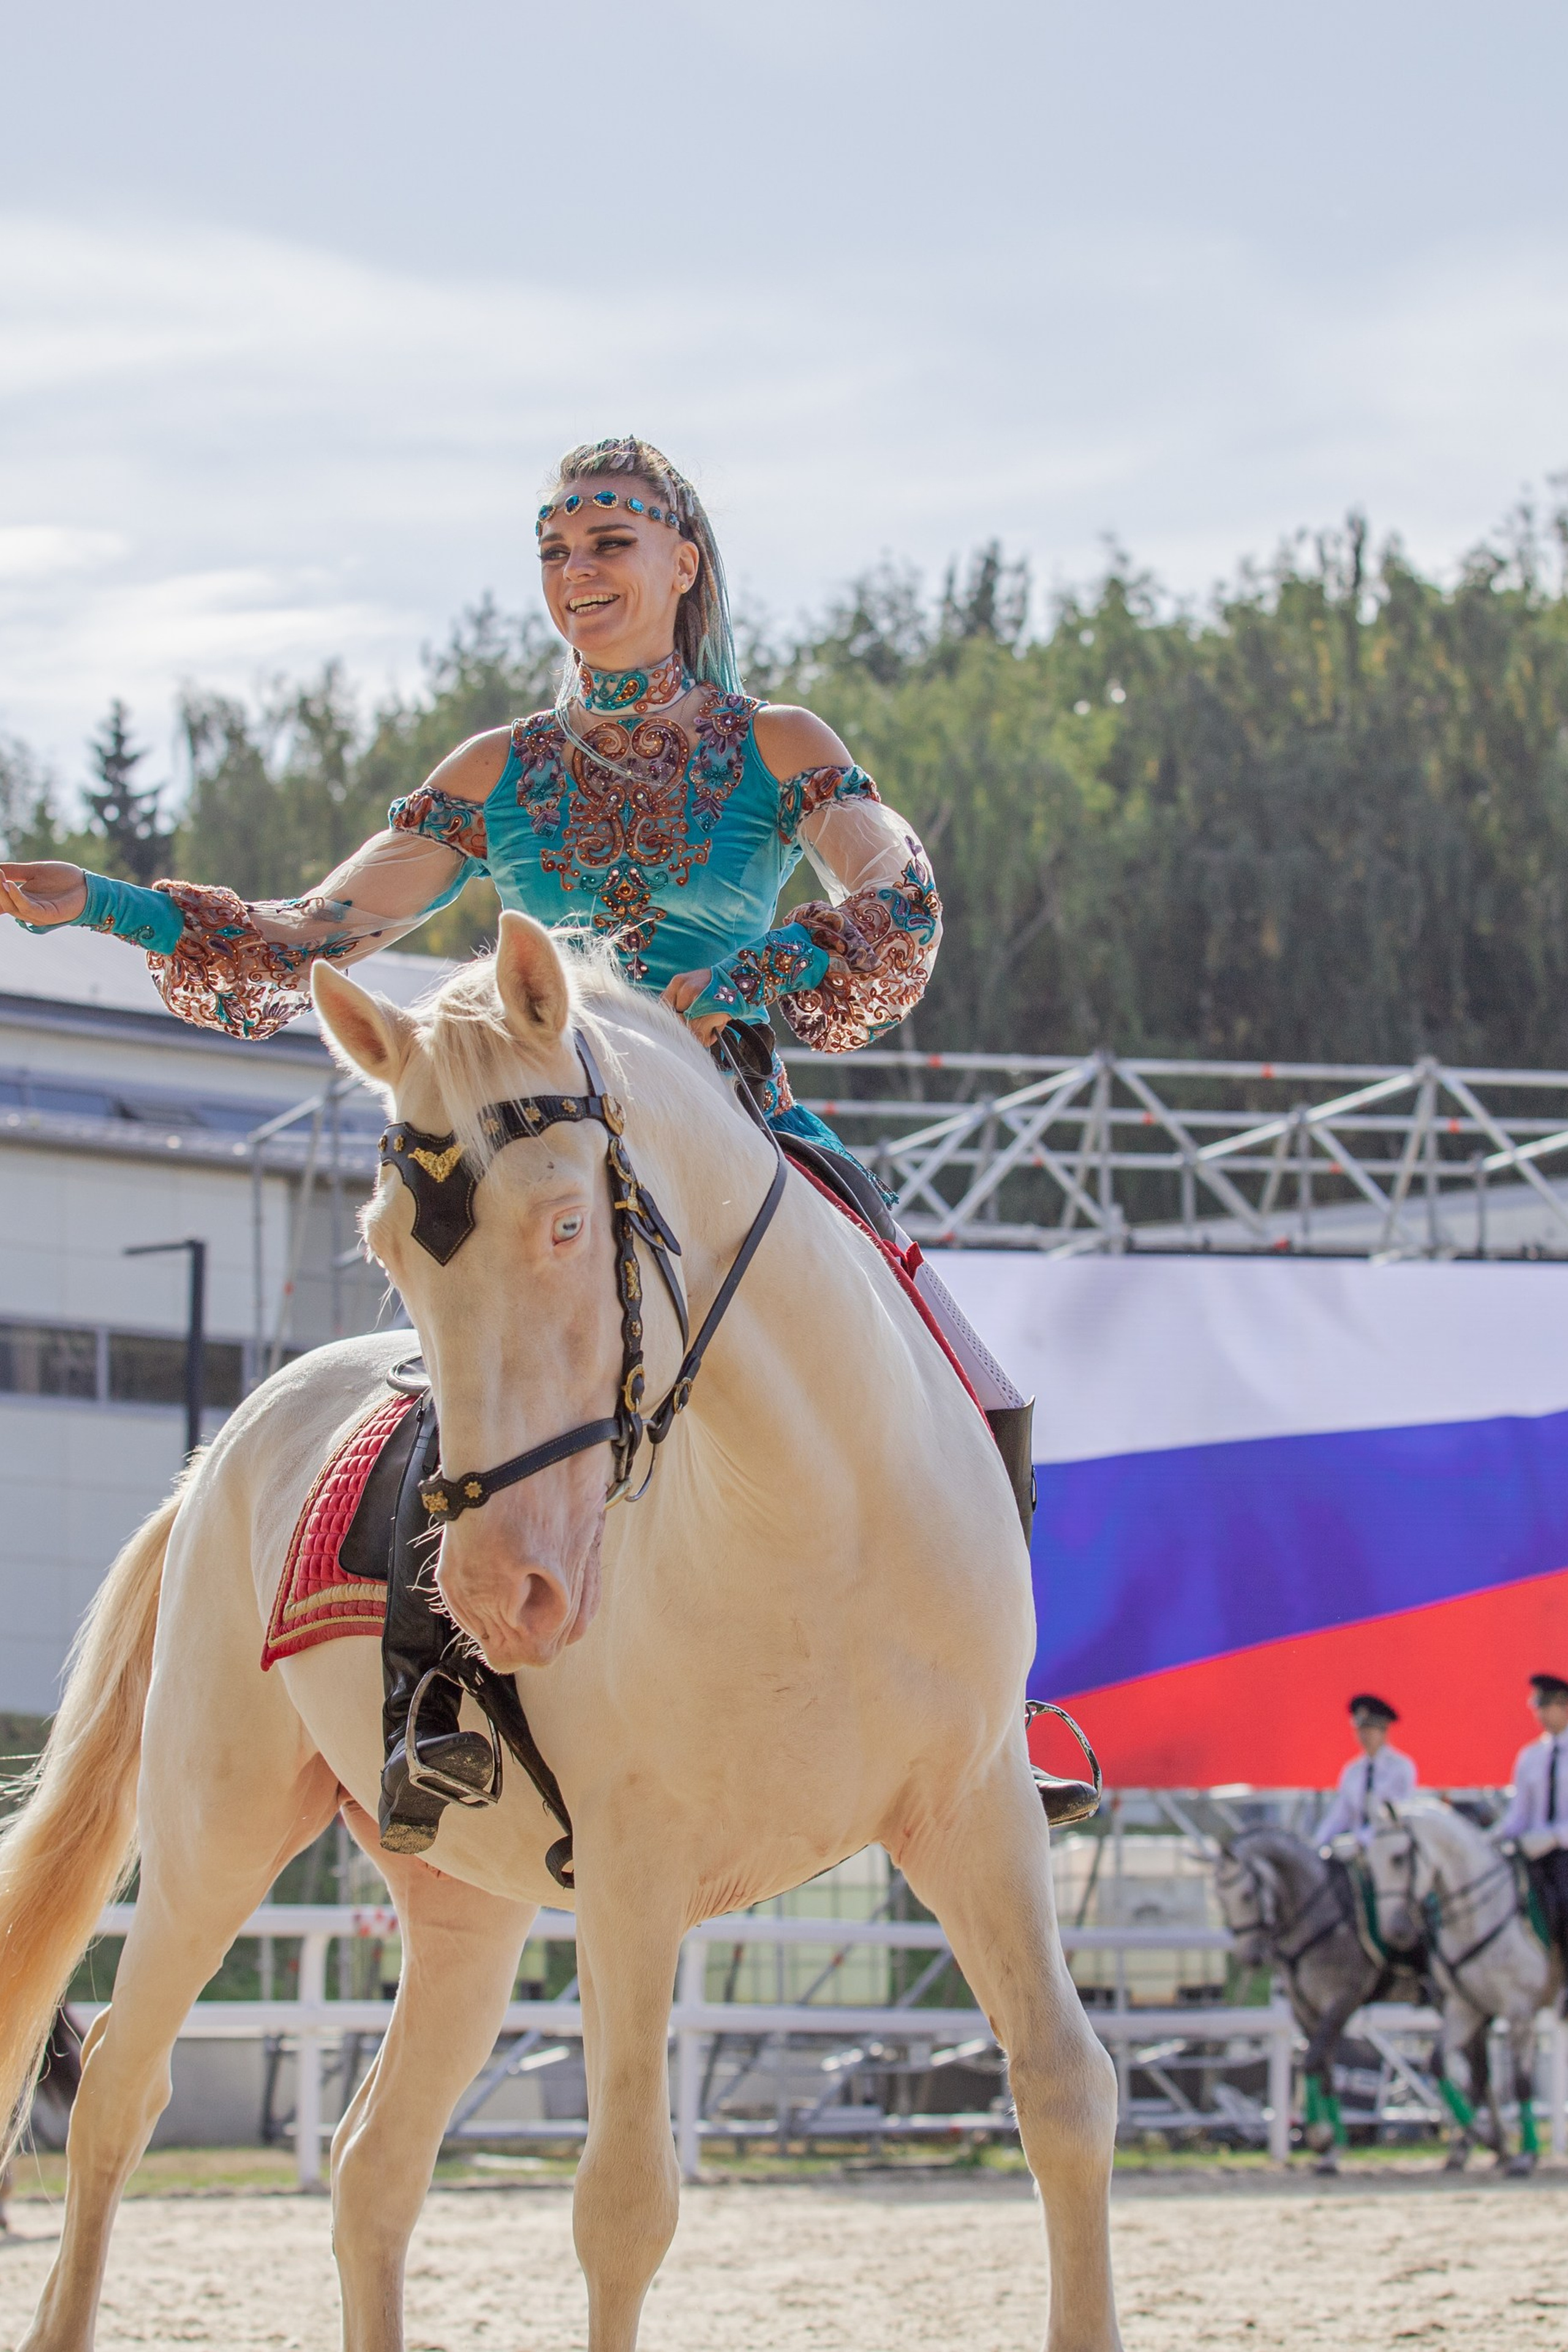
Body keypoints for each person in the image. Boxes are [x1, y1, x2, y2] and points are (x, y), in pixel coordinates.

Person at [0, 433, 1050, 1852]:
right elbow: (312, 937)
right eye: (553, 553)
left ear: (684, 560)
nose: (575, 576)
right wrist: (105, 905)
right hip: (545, 1159)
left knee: (955, 1368)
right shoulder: (499, 769)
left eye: (606, 546)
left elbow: (899, 888)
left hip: (732, 1138)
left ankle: (991, 1706)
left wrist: (746, 976)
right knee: (477, 1391)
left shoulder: (777, 743)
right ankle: (431, 1691)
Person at [1496, 1672, 1568, 1952]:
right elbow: (1518, 1815)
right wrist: (1492, 1839)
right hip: (1532, 1853)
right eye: (1538, 1707)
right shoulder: (1531, 1755)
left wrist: (1552, 1837)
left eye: (1546, 1707)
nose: (1540, 1715)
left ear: (1564, 1705)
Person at [1315, 1694, 1417, 1847]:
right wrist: (1317, 1844)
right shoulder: (1353, 1771)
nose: (1364, 1736)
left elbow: (1396, 1816)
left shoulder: (1400, 1767)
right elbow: (1340, 1815)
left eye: (1369, 1730)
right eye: (1360, 1730)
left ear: (1383, 1731)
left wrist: (1363, 1839)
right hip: (1357, 1850)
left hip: (1389, 1849)